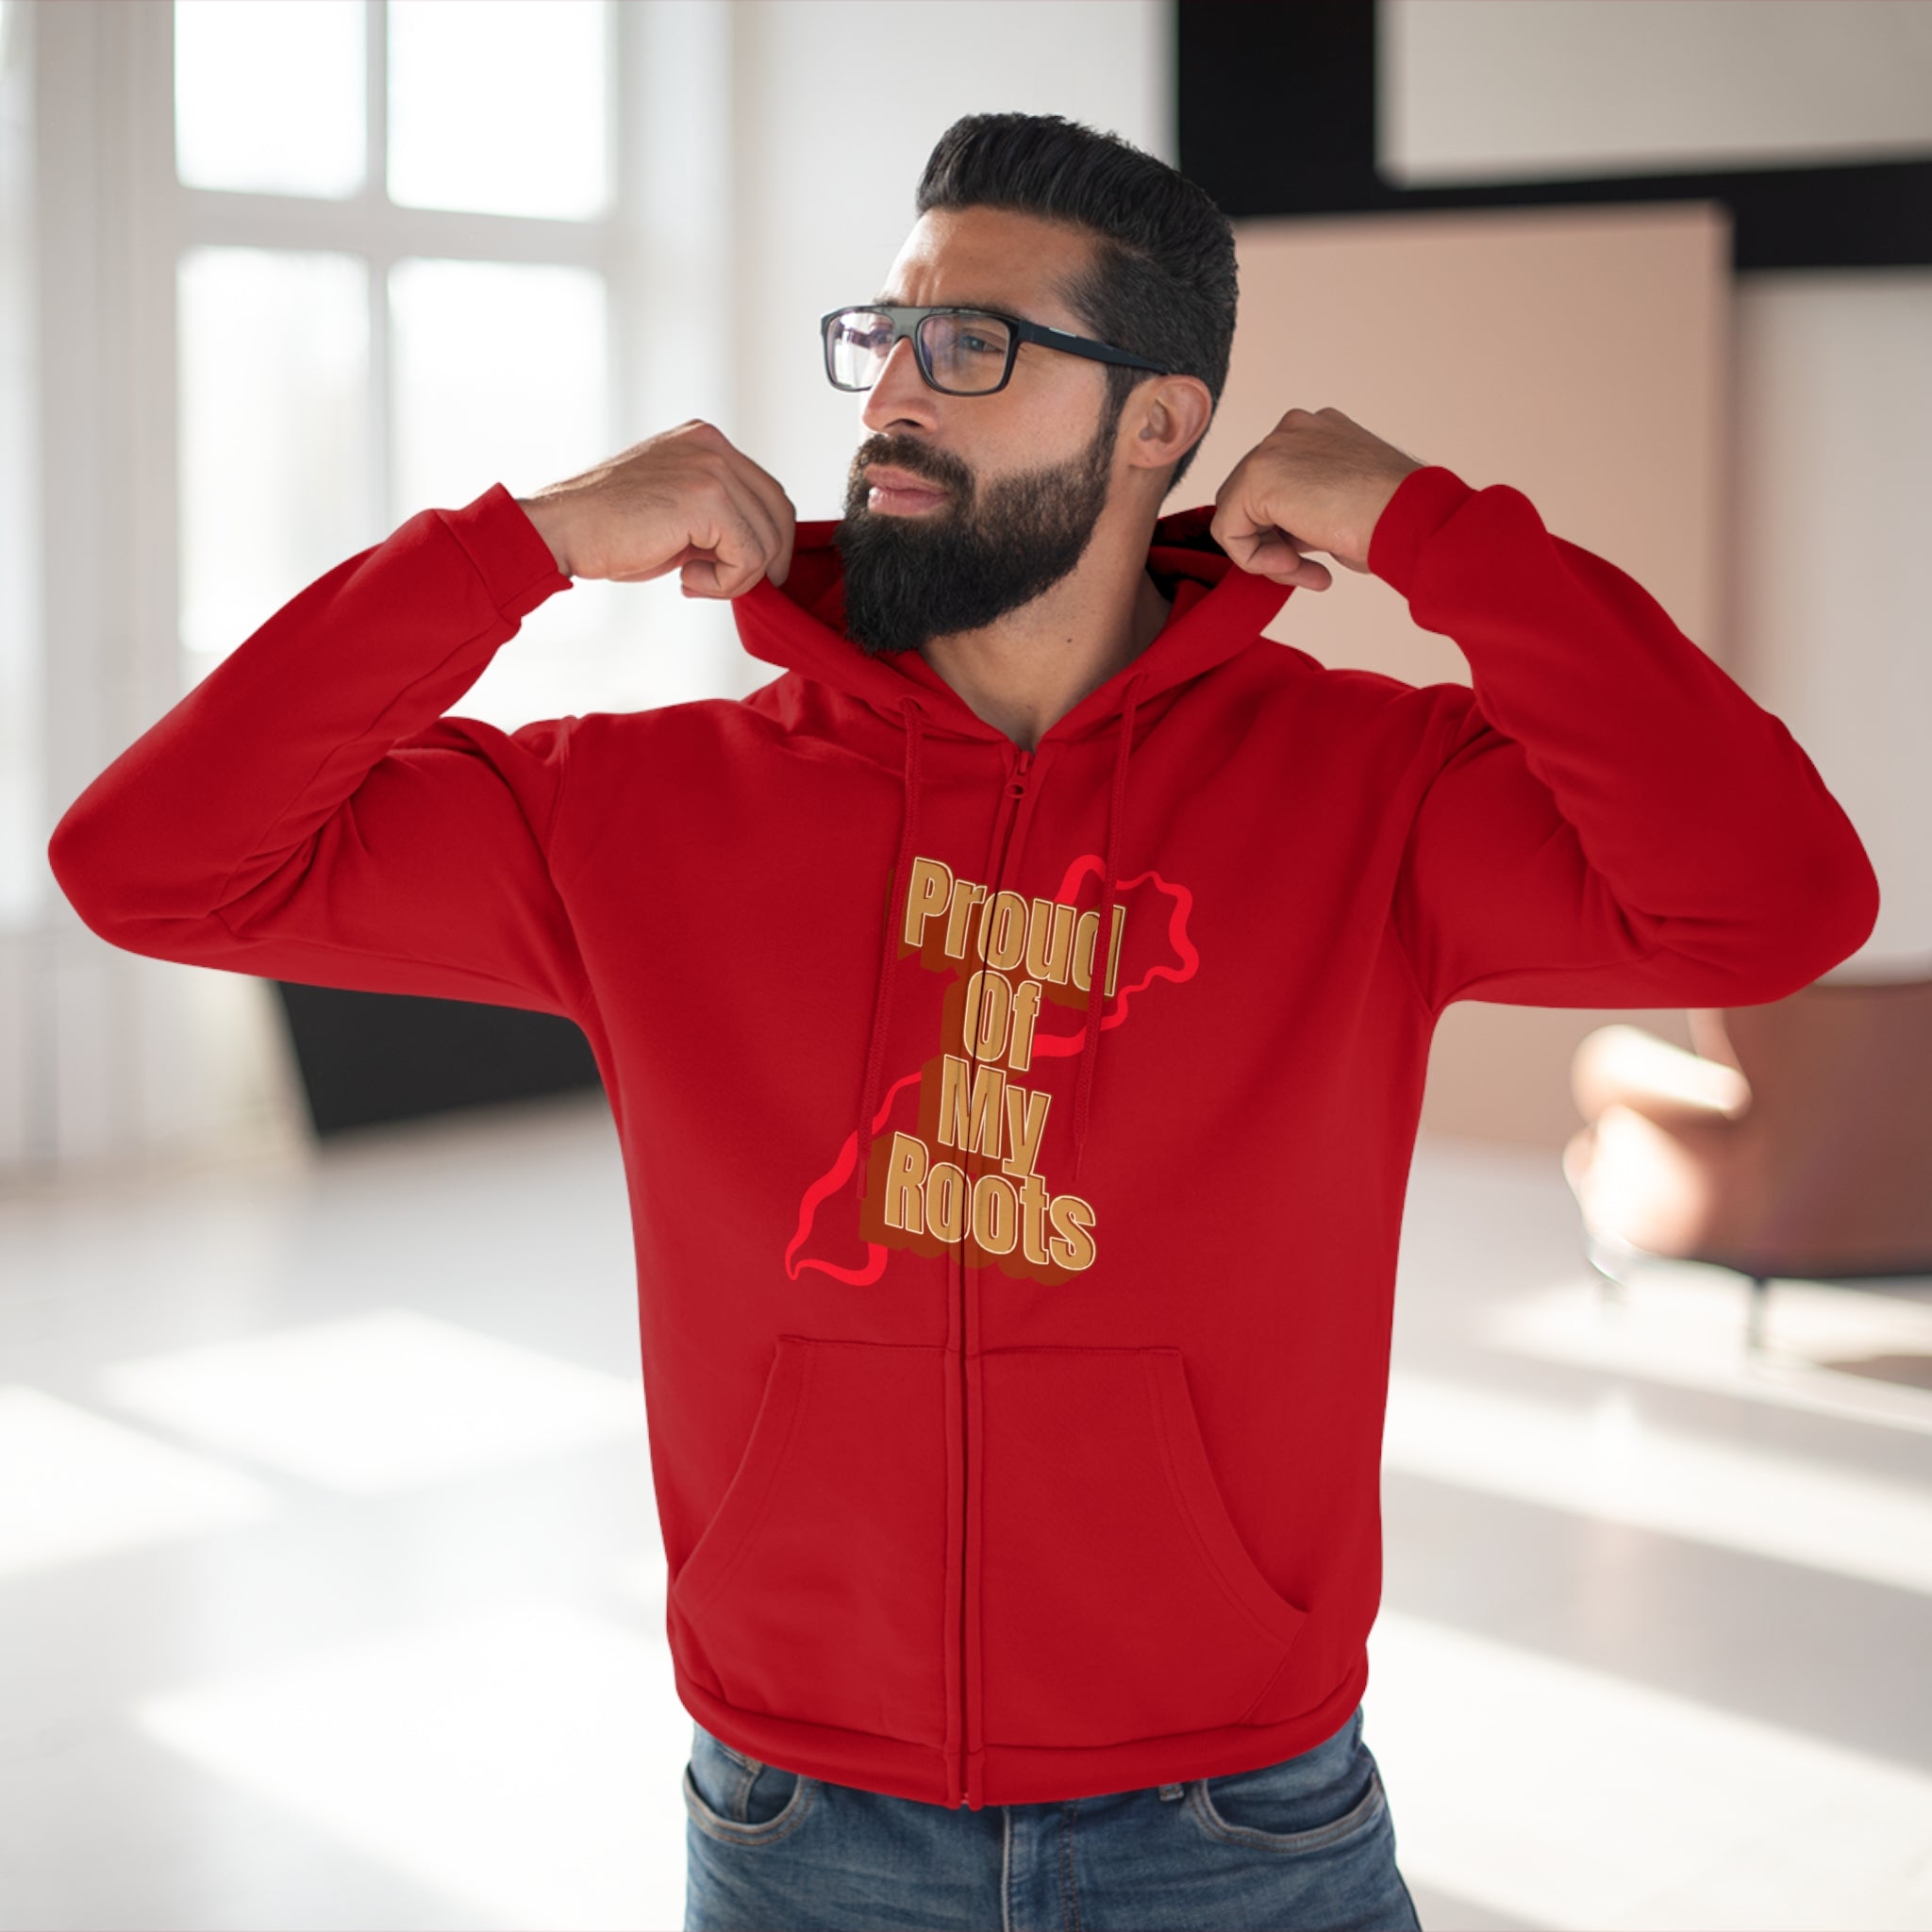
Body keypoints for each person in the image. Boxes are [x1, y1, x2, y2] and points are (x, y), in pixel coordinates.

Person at [47, 110, 1877, 1932]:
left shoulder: (1369, 796)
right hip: (801, 1822)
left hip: (1238, 1822)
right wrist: (519, 546)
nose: (893, 394)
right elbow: (150, 866)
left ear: (1155, 422)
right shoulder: (639, 807)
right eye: (888, 334)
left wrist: (1432, 532)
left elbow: (1780, 899)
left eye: (972, 344)